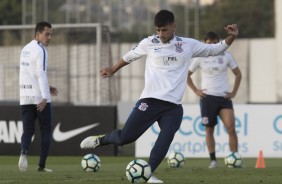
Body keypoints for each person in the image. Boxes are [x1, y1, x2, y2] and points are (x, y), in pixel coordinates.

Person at [80, 10, 238, 183]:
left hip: (173, 107)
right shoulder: (148, 43)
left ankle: (148, 173)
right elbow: (129, 57)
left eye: (164, 30)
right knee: (126, 137)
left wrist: (231, 37)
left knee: (166, 136)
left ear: (173, 27)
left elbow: (215, 49)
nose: (161, 34)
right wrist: (112, 69)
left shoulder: (187, 45)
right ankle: (101, 140)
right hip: (150, 100)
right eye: (158, 30)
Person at [187, 31, 242, 169]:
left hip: (223, 97)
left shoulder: (226, 56)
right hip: (208, 98)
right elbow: (186, 75)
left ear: (219, 42)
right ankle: (213, 161)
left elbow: (238, 74)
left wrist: (234, 92)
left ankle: (234, 159)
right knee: (209, 130)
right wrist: (195, 90)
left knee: (231, 127)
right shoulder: (199, 57)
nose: (211, 45)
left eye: (214, 43)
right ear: (205, 44)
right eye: (208, 43)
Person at [18, 21, 58, 172]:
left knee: (28, 130)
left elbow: (30, 75)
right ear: (38, 34)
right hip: (39, 97)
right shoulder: (41, 50)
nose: (49, 37)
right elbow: (40, 74)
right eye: (47, 34)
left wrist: (47, 87)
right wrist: (45, 97)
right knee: (46, 130)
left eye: (51, 34)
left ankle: (23, 153)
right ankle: (41, 166)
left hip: (24, 96)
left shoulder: (25, 49)